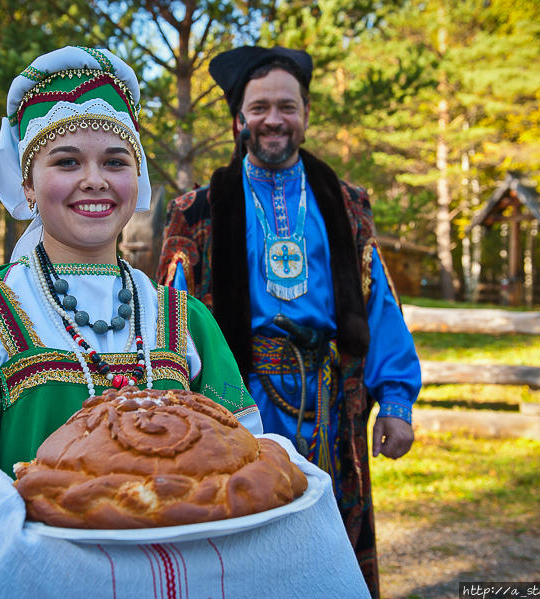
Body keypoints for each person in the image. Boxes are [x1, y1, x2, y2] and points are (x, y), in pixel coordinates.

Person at [0, 46, 263, 594]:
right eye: (66, 161)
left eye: (115, 161)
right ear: (28, 184)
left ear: (137, 178)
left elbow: (245, 460)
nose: (94, 179)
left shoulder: (185, 318)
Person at [156, 45, 421, 597]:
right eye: (259, 108)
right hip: (237, 404)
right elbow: (170, 317)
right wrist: (171, 406)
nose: (273, 119)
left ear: (304, 115)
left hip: (330, 402)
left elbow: (380, 304)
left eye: (287, 106)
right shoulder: (197, 210)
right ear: (238, 119)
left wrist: (396, 401)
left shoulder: (346, 204)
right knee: (244, 542)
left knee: (329, 544)